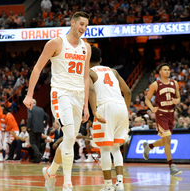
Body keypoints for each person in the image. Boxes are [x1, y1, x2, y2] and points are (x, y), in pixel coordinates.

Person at [23, 11, 92, 191]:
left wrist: (86, 105)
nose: (83, 28)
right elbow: (38, 68)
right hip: (61, 94)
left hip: (78, 96)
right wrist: (29, 94)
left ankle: (51, 170)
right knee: (69, 136)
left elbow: (86, 78)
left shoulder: (87, 48)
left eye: (86, 25)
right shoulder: (56, 42)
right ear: (73, 23)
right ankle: (67, 184)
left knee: (70, 140)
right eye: (81, 24)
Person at [89, 46, 131, 191]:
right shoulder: (113, 71)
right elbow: (128, 91)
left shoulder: (89, 72)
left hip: (106, 107)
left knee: (105, 149)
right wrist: (125, 110)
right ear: (100, 60)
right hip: (121, 107)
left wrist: (94, 111)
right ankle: (120, 183)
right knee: (116, 148)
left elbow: (90, 90)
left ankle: (108, 186)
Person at [143, 63, 182, 176]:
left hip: (171, 114)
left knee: (166, 141)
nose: (167, 71)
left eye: (168, 70)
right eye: (164, 70)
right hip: (161, 114)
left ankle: (148, 146)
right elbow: (147, 100)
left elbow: (178, 97)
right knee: (168, 138)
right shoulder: (155, 84)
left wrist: (177, 101)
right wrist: (152, 108)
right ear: (160, 72)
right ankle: (172, 166)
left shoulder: (174, 83)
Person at [27, 99, 49, 163]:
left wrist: (28, 127)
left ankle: (38, 154)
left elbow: (29, 118)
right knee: (37, 144)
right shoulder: (41, 109)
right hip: (40, 129)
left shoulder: (30, 109)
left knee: (32, 142)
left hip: (32, 128)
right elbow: (47, 117)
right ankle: (37, 159)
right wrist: (44, 125)